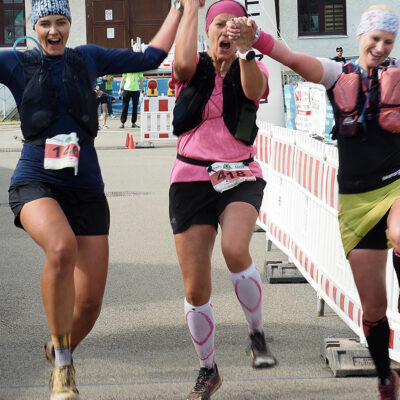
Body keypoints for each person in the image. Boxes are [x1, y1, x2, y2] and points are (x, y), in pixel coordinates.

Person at [0, 0, 183, 398]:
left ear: (70, 25)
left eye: (60, 22)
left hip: (85, 185)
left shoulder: (88, 58)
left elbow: (152, 55)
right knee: (61, 248)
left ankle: (58, 347)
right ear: (33, 27)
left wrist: (180, 8)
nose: (53, 31)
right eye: (45, 23)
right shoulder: (15, 62)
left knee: (91, 303)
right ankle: (64, 367)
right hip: (35, 179)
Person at [227, 5, 400, 399]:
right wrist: (256, 41)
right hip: (355, 202)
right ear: (360, 36)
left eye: (388, 42)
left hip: (396, 188)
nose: (380, 47)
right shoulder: (339, 74)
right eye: (374, 39)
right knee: (373, 309)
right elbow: (291, 59)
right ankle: (385, 378)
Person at [170, 1, 277, 399]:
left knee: (235, 249)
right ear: (207, 31)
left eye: (233, 26)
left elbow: (254, 91)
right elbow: (179, 65)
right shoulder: (193, 65)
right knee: (196, 289)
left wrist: (247, 48)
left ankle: (257, 332)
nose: (226, 32)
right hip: (190, 176)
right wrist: (190, 8)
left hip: (240, 173)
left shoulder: (254, 64)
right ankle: (208, 368)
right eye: (219, 25)